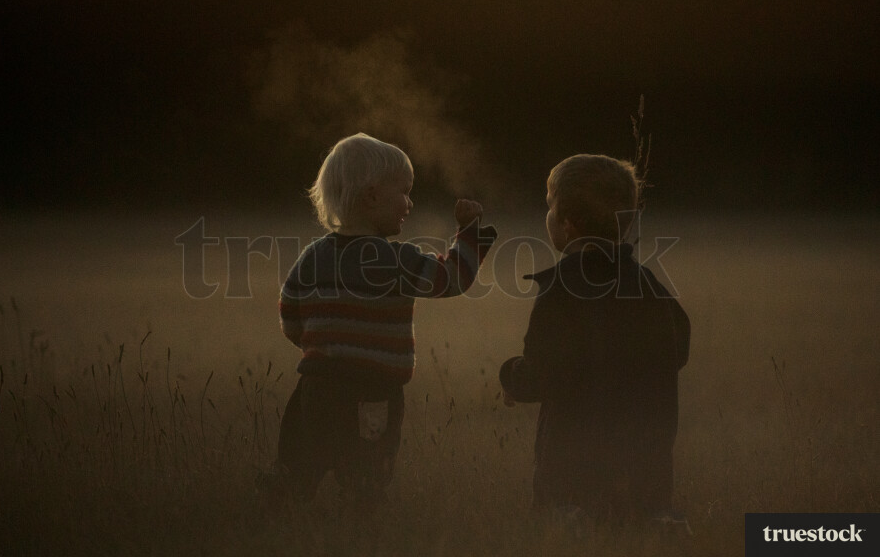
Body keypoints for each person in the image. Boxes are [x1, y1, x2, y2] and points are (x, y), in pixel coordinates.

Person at [270, 132, 497, 513]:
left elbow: (290, 316)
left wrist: (322, 345)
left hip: (315, 388)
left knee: (296, 467)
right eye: (404, 191)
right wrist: (470, 235)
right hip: (371, 392)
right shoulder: (397, 260)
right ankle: (361, 534)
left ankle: (274, 519)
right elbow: (450, 280)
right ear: (373, 195)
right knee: (366, 478)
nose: (409, 203)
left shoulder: (312, 256)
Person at [499, 154, 690, 524]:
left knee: (568, 520)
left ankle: (572, 516)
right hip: (644, 469)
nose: (548, 215)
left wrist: (511, 377)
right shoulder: (647, 284)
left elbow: (542, 372)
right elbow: (679, 348)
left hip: (574, 470)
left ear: (567, 224)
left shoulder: (562, 287)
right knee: (639, 520)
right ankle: (654, 516)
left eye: (550, 206)